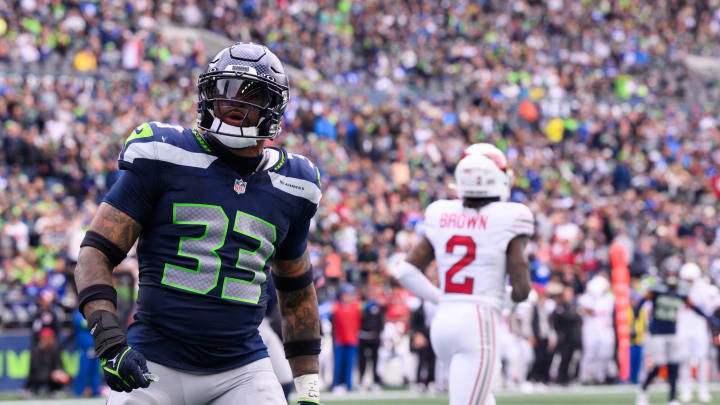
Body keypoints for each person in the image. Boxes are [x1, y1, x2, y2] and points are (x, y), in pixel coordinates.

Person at [73, 42, 323, 405]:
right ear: (208, 94)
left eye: (251, 95)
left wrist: (309, 391)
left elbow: (297, 292)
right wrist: (110, 342)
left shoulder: (295, 184)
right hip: (154, 361)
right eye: (226, 91)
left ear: (273, 109)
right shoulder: (164, 155)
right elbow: (95, 253)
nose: (236, 103)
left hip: (241, 370)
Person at [392, 149, 534, 405]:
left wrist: (443, 299)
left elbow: (405, 270)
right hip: (478, 321)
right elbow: (522, 288)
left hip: (444, 323)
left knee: (481, 397)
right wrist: (503, 304)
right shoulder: (511, 217)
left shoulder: (441, 213)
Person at [635, 272, 720, 405]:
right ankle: (643, 390)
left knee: (674, 365)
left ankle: (672, 398)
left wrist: (710, 319)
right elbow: (640, 303)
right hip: (657, 333)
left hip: (673, 332)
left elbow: (694, 308)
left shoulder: (680, 292)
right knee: (658, 366)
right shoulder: (657, 289)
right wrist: (635, 322)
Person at [676, 263, 717, 403]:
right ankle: (685, 390)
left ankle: (702, 390)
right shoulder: (678, 288)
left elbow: (710, 309)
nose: (688, 282)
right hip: (682, 328)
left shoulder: (704, 289)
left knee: (701, 359)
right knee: (684, 360)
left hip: (699, 328)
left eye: (691, 279)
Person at [26, 327, 69, 396]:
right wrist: (51, 374)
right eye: (49, 339)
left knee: (63, 376)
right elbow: (35, 370)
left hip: (51, 376)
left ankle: (53, 390)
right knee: (39, 378)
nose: (52, 340)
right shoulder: (36, 351)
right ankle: (33, 390)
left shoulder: (54, 350)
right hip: (38, 377)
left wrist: (59, 372)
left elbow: (59, 364)